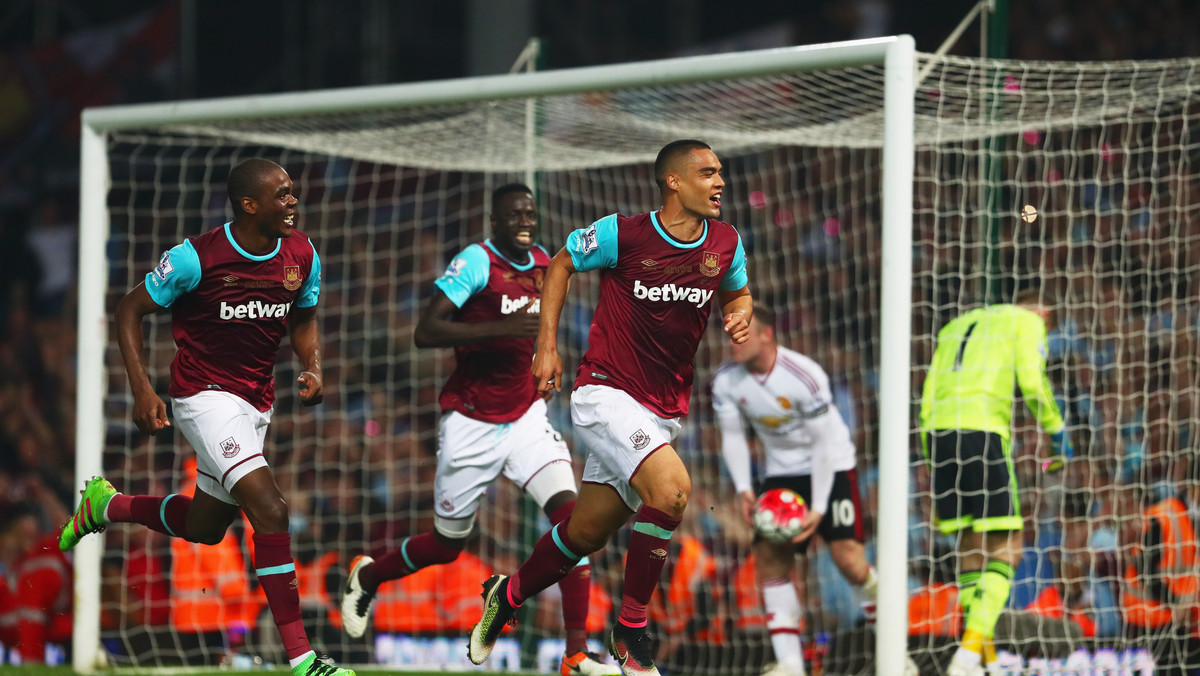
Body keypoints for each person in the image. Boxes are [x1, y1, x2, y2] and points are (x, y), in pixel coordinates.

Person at [466, 139, 753, 676]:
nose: (720, 183)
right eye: (708, 173)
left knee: (585, 534)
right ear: (674, 181)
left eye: (721, 173)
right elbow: (560, 263)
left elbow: (737, 292)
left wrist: (740, 314)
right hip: (604, 392)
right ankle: (631, 629)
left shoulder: (727, 242)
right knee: (672, 492)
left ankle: (507, 595)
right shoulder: (625, 233)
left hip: (662, 409)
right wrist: (546, 345)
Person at [58, 158, 354, 676]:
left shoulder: (302, 253)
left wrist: (312, 365)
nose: (293, 203)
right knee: (272, 510)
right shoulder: (195, 258)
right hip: (202, 397)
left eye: (293, 194)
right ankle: (304, 660)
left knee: (205, 527)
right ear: (249, 205)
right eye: (282, 195)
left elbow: (303, 317)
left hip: (256, 402)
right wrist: (143, 388)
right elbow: (129, 310)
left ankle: (106, 506)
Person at [338, 183, 619, 676]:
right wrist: (501, 330)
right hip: (470, 420)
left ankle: (577, 654)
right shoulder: (476, 262)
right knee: (448, 545)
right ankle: (369, 576)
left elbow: (543, 334)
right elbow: (426, 331)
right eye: (513, 214)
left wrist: (545, 362)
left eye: (530, 212)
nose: (524, 220)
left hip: (527, 418)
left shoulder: (546, 267)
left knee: (575, 527)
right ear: (495, 221)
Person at [711, 304, 880, 676]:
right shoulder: (726, 380)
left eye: (743, 332)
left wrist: (818, 508)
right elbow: (734, 439)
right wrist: (742, 488)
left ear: (767, 335)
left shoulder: (804, 376)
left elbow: (822, 445)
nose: (733, 340)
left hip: (832, 467)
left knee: (849, 561)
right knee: (771, 561)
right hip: (782, 474)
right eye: (730, 333)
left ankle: (892, 645)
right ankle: (789, 663)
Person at [919, 287, 1071, 676]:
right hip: (982, 432)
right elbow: (1032, 381)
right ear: (1044, 313)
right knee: (1008, 548)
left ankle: (984, 660)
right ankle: (967, 656)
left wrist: (928, 454)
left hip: (938, 437)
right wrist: (1057, 432)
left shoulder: (955, 325)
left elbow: (926, 396)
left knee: (970, 547)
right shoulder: (1028, 321)